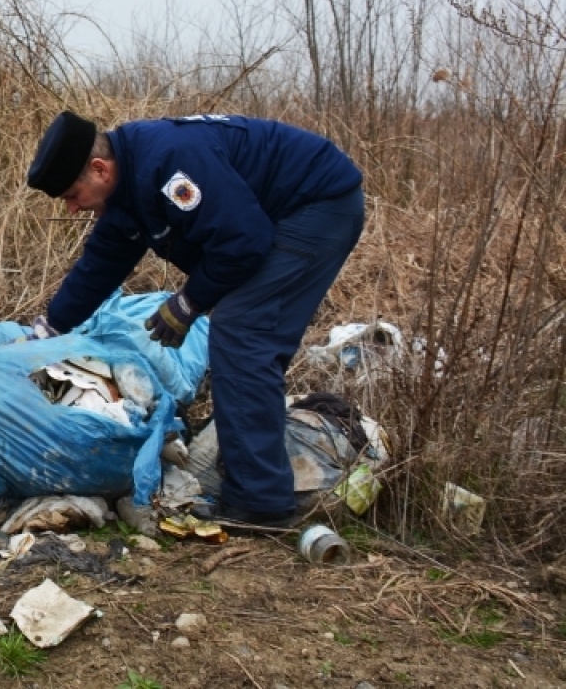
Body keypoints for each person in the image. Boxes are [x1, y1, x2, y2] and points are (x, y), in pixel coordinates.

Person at [26, 110, 364, 527]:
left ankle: (260, 503)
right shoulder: (127, 184)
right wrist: (50, 327)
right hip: (279, 216)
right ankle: (257, 485)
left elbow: (242, 242)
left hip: (317, 206)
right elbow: (103, 261)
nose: (73, 208)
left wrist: (188, 302)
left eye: (73, 194)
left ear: (99, 169)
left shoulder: (169, 165)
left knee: (243, 333)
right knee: (242, 333)